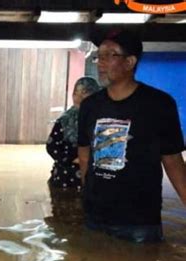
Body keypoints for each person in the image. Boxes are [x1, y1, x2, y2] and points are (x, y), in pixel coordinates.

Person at [78, 29, 186, 242]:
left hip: (139, 221)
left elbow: (173, 162)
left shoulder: (159, 105)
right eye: (99, 55)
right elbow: (84, 154)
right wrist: (88, 196)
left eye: (111, 55)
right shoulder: (90, 106)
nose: (100, 62)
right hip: (95, 217)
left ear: (130, 62)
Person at [47, 77, 100, 190]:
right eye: (76, 93)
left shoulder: (102, 120)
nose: (78, 98)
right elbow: (52, 146)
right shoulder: (65, 120)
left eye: (84, 93)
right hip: (66, 177)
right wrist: (73, 159)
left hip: (94, 178)